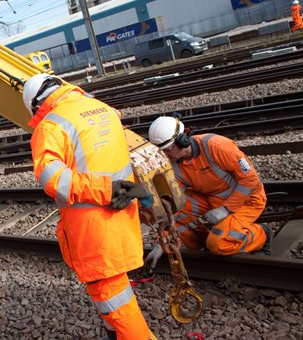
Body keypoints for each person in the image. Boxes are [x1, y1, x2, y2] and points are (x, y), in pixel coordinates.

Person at [22, 73, 157, 340]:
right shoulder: (104, 110)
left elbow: (55, 181)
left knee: (111, 294)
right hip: (122, 214)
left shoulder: (50, 126)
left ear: (36, 105)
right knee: (114, 288)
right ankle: (114, 333)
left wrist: (106, 190)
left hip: (93, 227)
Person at [146, 115, 271, 266]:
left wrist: (225, 209)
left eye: (166, 150)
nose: (165, 156)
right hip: (213, 200)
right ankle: (206, 241)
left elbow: (251, 179)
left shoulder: (217, 146)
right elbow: (175, 206)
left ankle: (263, 234)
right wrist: (161, 242)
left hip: (247, 200)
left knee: (219, 244)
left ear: (181, 141)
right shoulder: (174, 165)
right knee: (180, 208)